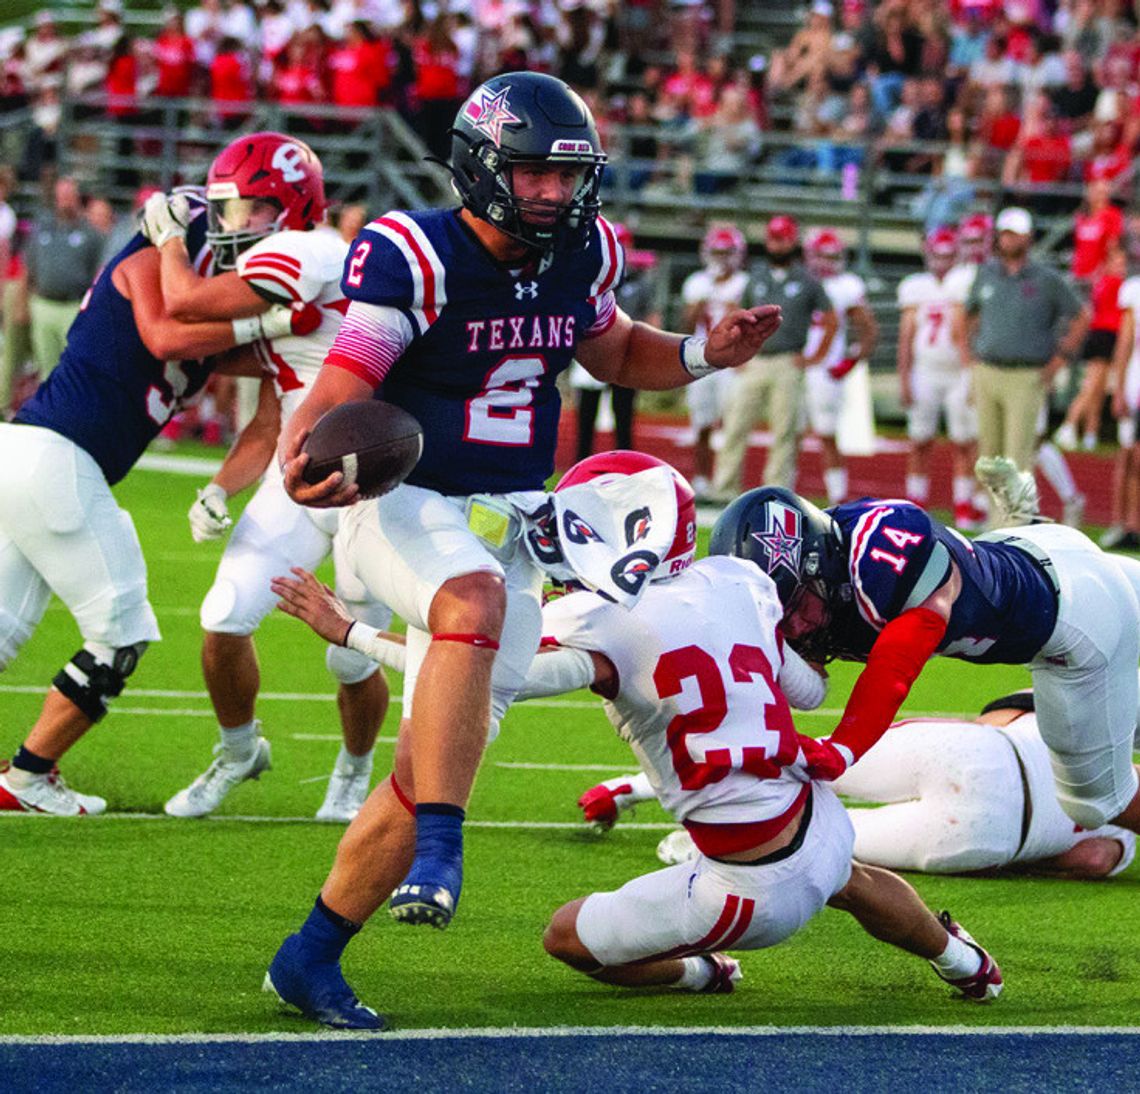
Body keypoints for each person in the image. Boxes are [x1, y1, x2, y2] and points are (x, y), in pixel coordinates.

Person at [263, 72, 783, 1030]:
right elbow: (350, 375)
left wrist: (705, 354)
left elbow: (618, 351)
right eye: (532, 173)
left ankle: (309, 958)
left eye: (564, 174)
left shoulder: (584, 249)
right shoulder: (415, 250)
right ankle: (445, 848)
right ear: (480, 166)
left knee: (429, 760)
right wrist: (305, 452)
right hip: (403, 500)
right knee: (469, 604)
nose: (551, 192)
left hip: (511, 517)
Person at [273, 451, 1004, 1006]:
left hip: (744, 890)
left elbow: (474, 680)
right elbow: (809, 689)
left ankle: (703, 971)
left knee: (567, 938)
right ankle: (967, 963)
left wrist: (347, 631)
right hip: (817, 820)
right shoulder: (743, 584)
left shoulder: (597, 624)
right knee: (845, 877)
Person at [0, 165, 313, 816]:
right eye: (227, 212)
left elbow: (224, 345)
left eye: (249, 211)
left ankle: (24, 775)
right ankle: (27, 776)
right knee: (122, 633)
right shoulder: (151, 258)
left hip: (38, 458)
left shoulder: (206, 305)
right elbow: (167, 334)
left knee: (3, 630)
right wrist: (267, 317)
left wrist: (301, 326)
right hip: (58, 457)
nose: (233, 226)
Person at [141, 133, 393, 822]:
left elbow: (184, 305)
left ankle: (355, 766)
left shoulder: (306, 249)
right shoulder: (285, 275)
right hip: (296, 471)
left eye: (237, 208)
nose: (225, 224)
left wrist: (166, 241)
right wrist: (222, 485)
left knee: (352, 658)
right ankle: (239, 749)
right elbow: (269, 414)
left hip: (361, 483)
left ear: (280, 206)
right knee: (223, 617)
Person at [706, 483, 1140, 859]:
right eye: (779, 618)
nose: (795, 626)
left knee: (1095, 803)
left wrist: (844, 748)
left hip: (1080, 629)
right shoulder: (817, 569)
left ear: (822, 564)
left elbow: (894, 665)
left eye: (797, 605)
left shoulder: (885, 553)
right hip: (1051, 552)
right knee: (1118, 717)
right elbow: (804, 684)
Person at [587, 692, 1136, 881]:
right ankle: (714, 856)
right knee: (827, 839)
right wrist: (1031, 850)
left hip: (975, 755)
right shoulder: (1124, 841)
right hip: (985, 836)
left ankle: (630, 789)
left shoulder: (1103, 720)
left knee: (803, 757)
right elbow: (1088, 860)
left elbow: (997, 718)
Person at [953, 206, 1089, 479]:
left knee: (1018, 453)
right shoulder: (986, 274)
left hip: (1027, 373)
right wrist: (968, 355)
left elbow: (1080, 316)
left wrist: (1060, 358)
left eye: (1014, 234)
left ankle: (1016, 519)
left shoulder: (1046, 279)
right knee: (989, 454)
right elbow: (966, 315)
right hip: (988, 369)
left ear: (1028, 238)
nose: (1007, 240)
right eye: (1004, 234)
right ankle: (996, 518)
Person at [711, 215, 835, 498]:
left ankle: (775, 490)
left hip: (787, 361)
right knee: (735, 424)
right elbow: (736, 313)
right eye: (773, 238)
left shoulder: (807, 280)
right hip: (755, 360)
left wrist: (814, 357)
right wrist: (737, 353)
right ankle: (724, 488)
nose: (777, 245)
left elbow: (831, 318)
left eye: (782, 239)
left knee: (785, 430)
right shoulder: (756, 276)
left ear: (793, 241)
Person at [897, 225, 986, 529]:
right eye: (937, 255)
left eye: (948, 256)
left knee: (965, 441)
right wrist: (904, 377)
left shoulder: (966, 280)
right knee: (920, 440)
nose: (942, 262)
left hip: (958, 371)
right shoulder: (916, 286)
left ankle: (963, 505)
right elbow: (906, 336)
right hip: (926, 370)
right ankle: (915, 503)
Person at [569, 222, 660, 461]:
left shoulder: (638, 282)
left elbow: (651, 319)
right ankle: (580, 467)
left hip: (625, 352)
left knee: (623, 417)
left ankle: (625, 467)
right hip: (591, 349)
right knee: (586, 419)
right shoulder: (588, 277)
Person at [802, 227, 878, 506]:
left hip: (824, 369)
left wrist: (853, 358)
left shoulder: (847, 285)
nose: (827, 262)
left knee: (826, 433)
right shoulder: (799, 280)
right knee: (790, 432)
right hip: (796, 363)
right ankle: (783, 488)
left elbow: (868, 329)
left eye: (832, 256)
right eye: (822, 256)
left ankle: (838, 495)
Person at [679, 222, 749, 501]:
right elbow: (686, 323)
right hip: (702, 356)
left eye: (726, 253)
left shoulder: (745, 283)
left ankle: (727, 481)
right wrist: (701, 304)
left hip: (732, 362)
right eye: (717, 253)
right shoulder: (698, 282)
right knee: (702, 422)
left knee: (732, 423)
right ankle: (701, 479)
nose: (721, 259)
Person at [24, 176, 104, 382]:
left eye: (69, 195)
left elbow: (99, 271)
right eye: (61, 196)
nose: (65, 200)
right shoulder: (42, 226)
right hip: (43, 303)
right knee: (45, 367)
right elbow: (29, 265)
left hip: (73, 305)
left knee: (75, 365)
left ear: (78, 198)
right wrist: (24, 301)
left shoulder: (91, 233)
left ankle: (73, 412)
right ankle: (47, 412)